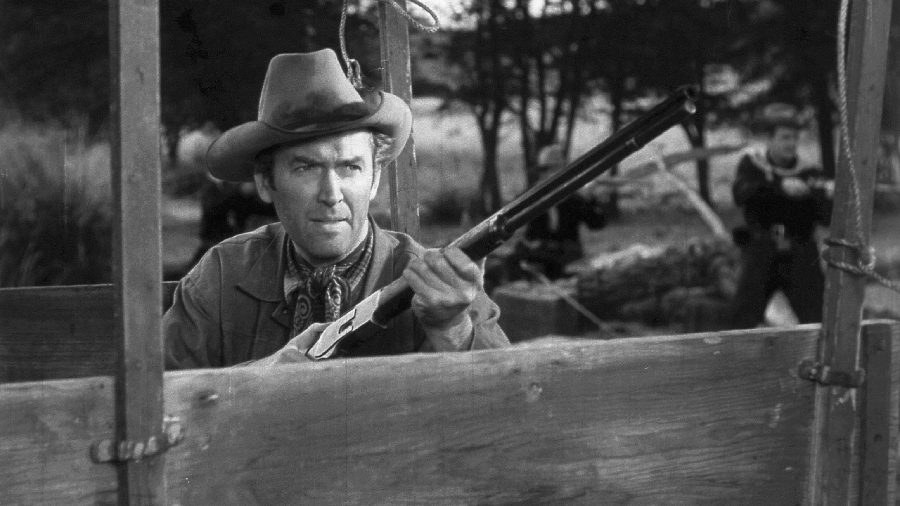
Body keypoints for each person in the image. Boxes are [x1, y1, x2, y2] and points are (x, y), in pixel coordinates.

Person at [163, 49, 510, 369]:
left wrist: (451, 327)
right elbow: (159, 404)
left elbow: (514, 407)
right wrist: (263, 379)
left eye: (349, 168)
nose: (331, 194)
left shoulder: (436, 284)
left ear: (374, 181)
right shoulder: (222, 275)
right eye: (306, 168)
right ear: (267, 184)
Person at [728, 108, 832, 329]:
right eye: (784, 137)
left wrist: (818, 194)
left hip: (800, 252)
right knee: (741, 320)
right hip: (761, 251)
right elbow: (741, 194)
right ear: (770, 139)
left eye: (794, 138)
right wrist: (780, 187)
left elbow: (826, 217)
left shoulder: (810, 173)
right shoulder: (753, 166)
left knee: (819, 319)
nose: (791, 144)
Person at [513, 144, 607, 280]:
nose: (549, 175)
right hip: (538, 253)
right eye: (545, 171)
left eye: (554, 170)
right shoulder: (532, 196)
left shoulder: (574, 198)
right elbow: (520, 227)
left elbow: (597, 224)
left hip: (565, 254)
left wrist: (591, 199)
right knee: (513, 261)